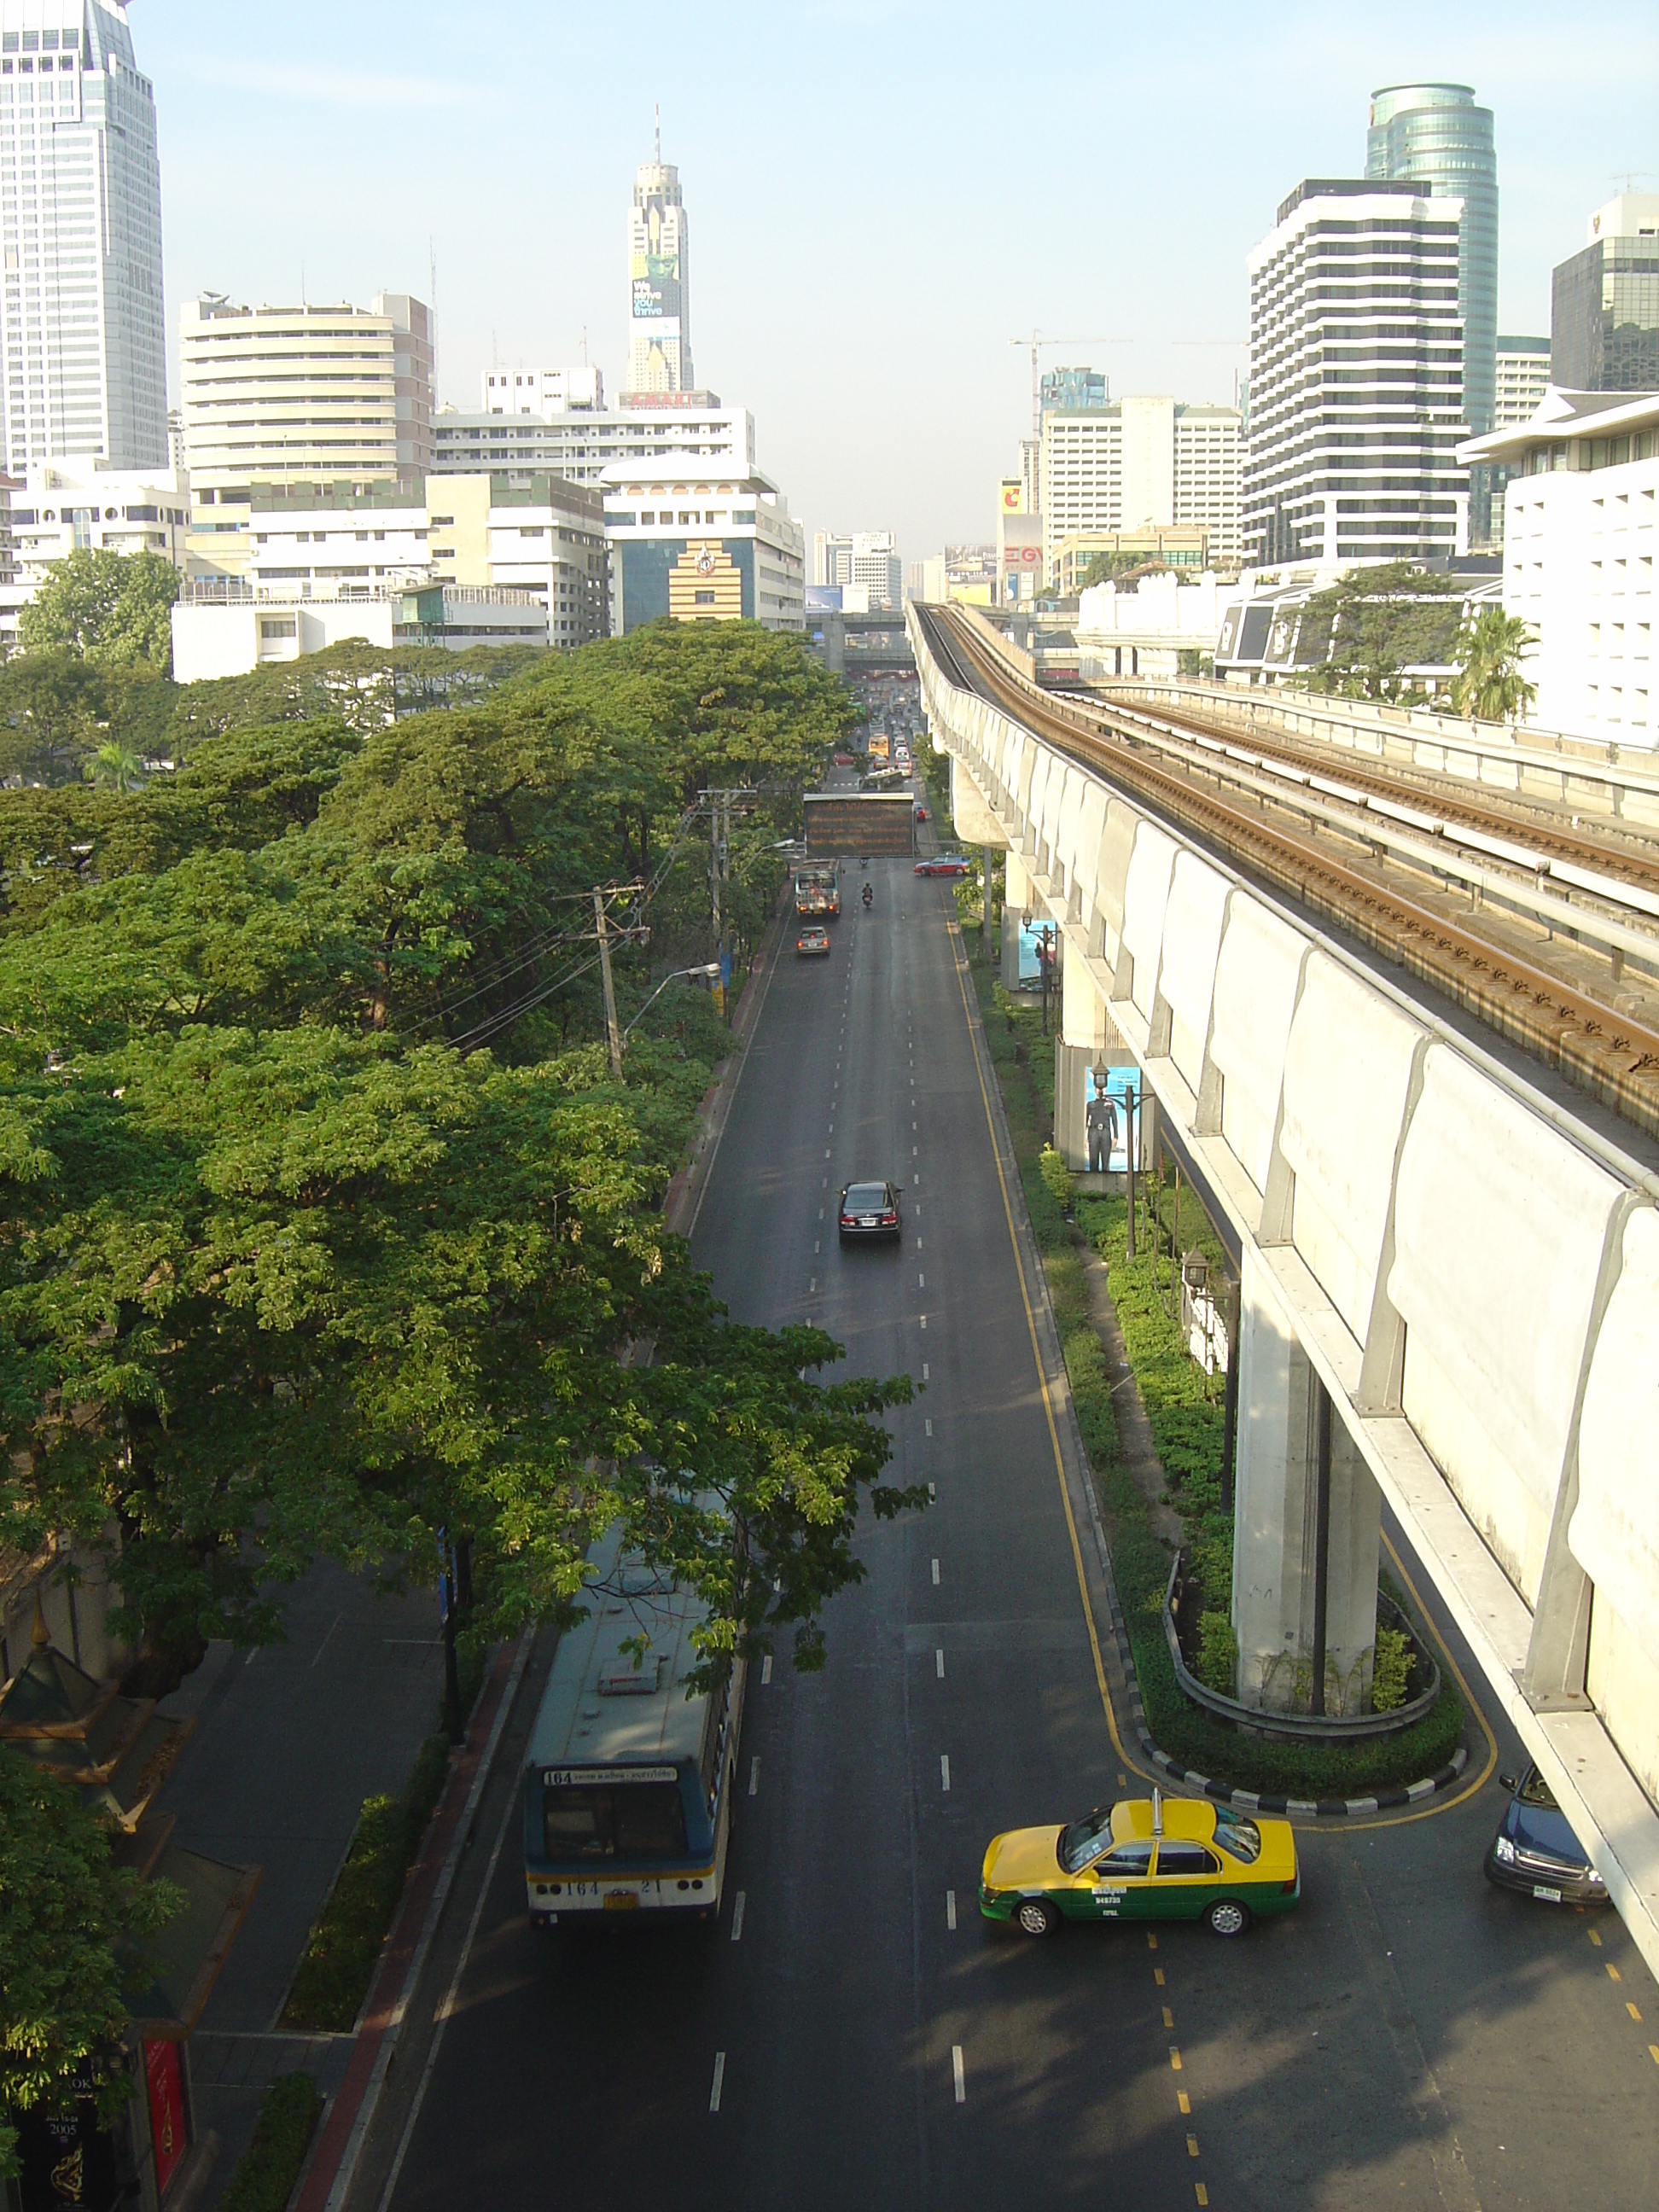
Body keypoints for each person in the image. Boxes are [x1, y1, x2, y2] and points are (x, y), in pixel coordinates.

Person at [1086, 1074, 1119, 1173]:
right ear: (1095, 1090)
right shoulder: (1091, 1104)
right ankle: (1093, 1182)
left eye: (1102, 1089)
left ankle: (1106, 1182)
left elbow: (1114, 1120)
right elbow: (1085, 1120)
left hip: (1105, 1131)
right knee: (1093, 1159)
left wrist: (1116, 1136)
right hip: (1094, 1131)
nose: (1100, 1091)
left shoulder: (1110, 1104)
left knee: (1106, 1158)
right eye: (1098, 1089)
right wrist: (1085, 1137)